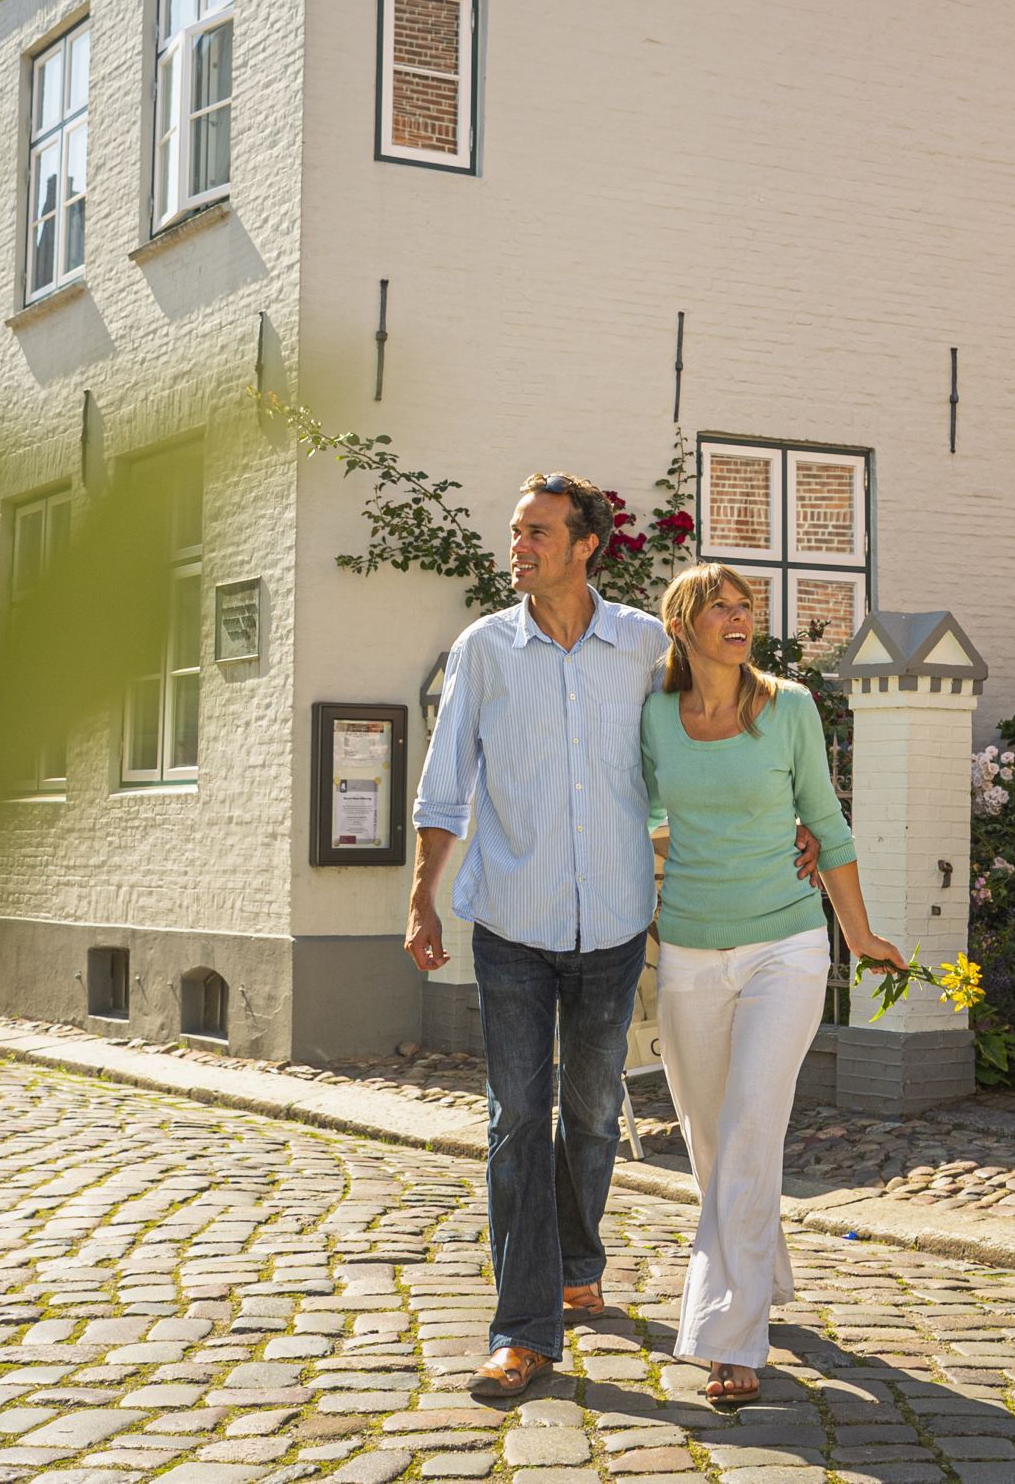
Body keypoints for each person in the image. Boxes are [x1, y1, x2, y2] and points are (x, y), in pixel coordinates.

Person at [406, 477, 818, 1403]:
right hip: (512, 920)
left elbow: (715, 725)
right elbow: (445, 785)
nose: (519, 547)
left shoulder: (639, 643)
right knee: (515, 1119)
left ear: (586, 544)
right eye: (515, 532)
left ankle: (577, 1263)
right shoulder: (484, 649)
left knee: (592, 1115)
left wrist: (782, 824)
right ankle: (523, 1331)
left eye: (538, 532)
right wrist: (422, 898)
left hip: (615, 925)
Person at [641, 562, 903, 1408]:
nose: (737, 617)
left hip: (784, 947)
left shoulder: (788, 706)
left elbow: (824, 824)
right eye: (717, 606)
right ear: (681, 624)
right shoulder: (652, 715)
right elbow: (634, 810)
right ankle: (766, 1271)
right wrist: (658, 842)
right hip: (687, 950)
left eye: (745, 605)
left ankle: (728, 1334)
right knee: (712, 1139)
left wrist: (858, 935)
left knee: (752, 1125)